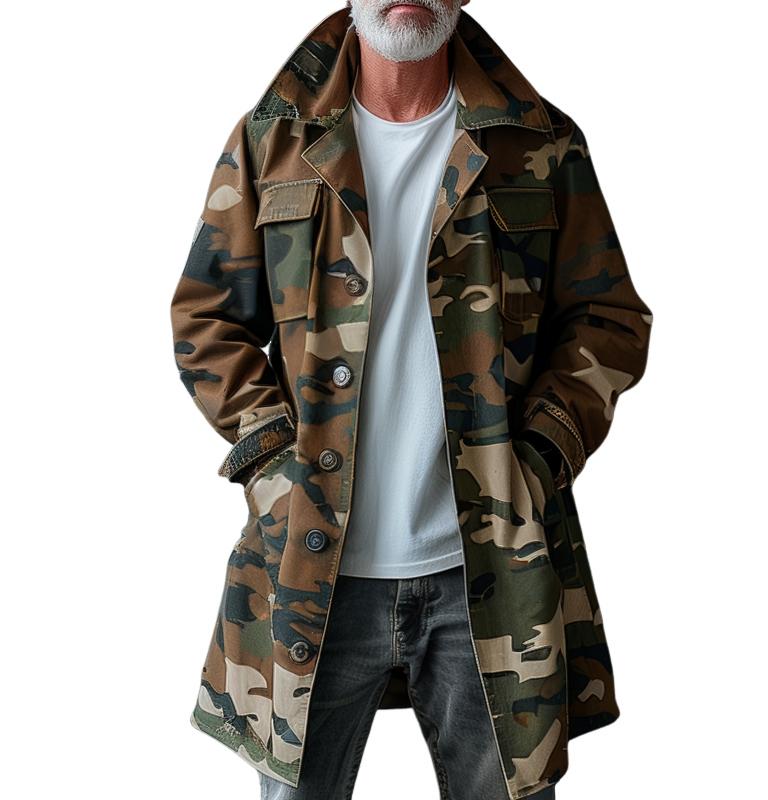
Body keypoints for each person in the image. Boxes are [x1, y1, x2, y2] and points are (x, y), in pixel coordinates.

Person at [169, 2, 654, 799]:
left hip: (490, 570)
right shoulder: (273, 139)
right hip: (311, 570)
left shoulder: (538, 142)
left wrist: (539, 457)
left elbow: (607, 318)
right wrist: (271, 463)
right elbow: (206, 317)